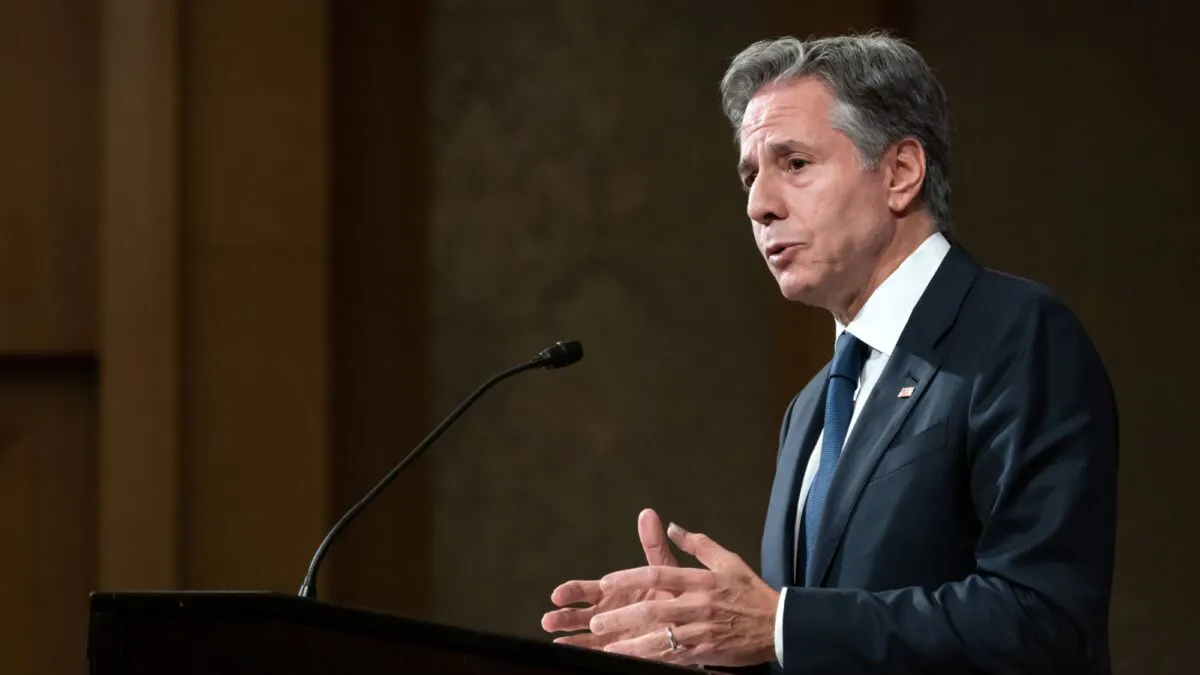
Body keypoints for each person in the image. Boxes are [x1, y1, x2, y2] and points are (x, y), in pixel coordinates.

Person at [540, 33, 1119, 674]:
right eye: (750, 176)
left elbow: (1044, 621)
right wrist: (709, 651)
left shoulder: (1015, 333)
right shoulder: (812, 406)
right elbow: (813, 645)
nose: (759, 205)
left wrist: (780, 625)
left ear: (900, 173)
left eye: (794, 163)